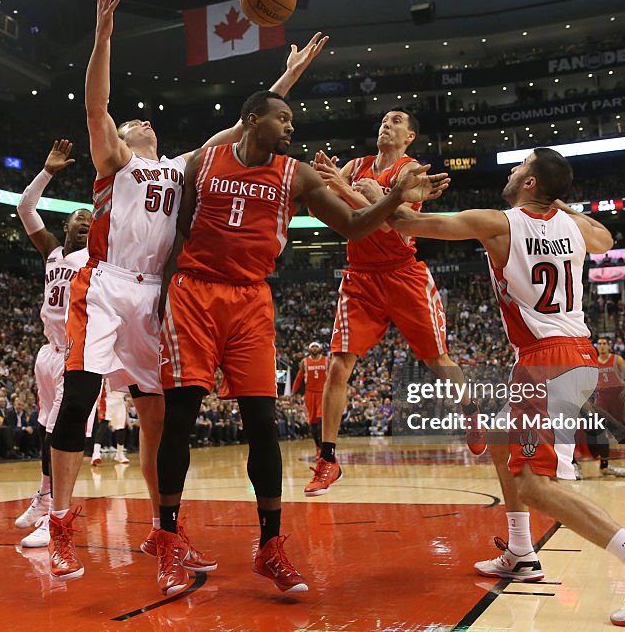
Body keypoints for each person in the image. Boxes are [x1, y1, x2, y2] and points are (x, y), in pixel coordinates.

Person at [47, 0, 330, 581]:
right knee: (79, 401)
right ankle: (60, 526)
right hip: (105, 286)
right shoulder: (116, 162)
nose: (141, 122)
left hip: (159, 297)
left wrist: (287, 79)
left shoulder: (182, 168)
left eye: (145, 123)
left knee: (161, 420)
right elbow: (97, 105)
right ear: (122, 140)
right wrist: (103, 36)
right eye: (132, 123)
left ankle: (162, 533)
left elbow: (248, 126)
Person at [153, 89, 449, 595]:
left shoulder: (298, 174)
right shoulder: (204, 161)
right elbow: (176, 232)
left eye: (292, 120)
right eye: (282, 118)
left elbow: (355, 225)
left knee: (263, 426)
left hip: (251, 299)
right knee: (180, 418)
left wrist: (397, 197)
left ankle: (270, 546)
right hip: (195, 293)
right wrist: (162, 296)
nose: (291, 127)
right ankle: (167, 539)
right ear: (251, 120)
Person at [390, 147, 625, 627]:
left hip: (549, 361)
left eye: (519, 168)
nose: (511, 172)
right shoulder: (577, 227)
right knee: (500, 445)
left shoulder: (498, 222)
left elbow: (406, 225)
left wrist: (382, 194)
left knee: (536, 485)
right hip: (565, 354)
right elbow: (605, 238)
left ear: (530, 183)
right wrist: (561, 205)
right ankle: (521, 552)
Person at [304, 110, 483, 497]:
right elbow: (344, 216)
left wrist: (345, 189)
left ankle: (471, 412)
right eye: (384, 118)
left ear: (410, 135)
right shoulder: (355, 165)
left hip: (403, 274)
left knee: (437, 360)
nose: (387, 122)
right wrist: (321, 187)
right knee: (338, 366)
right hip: (360, 276)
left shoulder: (412, 171)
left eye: (397, 120)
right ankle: (328, 458)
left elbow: (393, 224)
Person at [14, 141, 95, 548]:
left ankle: (54, 510)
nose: (86, 221)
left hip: (75, 352)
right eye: (80, 217)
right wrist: (47, 172)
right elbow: (24, 209)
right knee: (45, 429)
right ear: (66, 225)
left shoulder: (97, 258)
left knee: (59, 433)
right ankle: (43, 497)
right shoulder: (52, 251)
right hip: (47, 351)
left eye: (91, 219)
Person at [596, 337, 625, 461]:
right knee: (599, 423)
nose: (602, 346)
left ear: (609, 346)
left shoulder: (617, 359)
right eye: (599, 344)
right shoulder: (593, 361)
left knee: (622, 422)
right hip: (602, 396)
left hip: (617, 395)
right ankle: (603, 452)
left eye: (604, 344)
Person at [290, 341, 328, 457]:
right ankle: (318, 447)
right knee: (313, 422)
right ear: (310, 349)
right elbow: (298, 378)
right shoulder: (304, 362)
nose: (315, 348)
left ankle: (324, 447)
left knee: (322, 420)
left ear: (320, 348)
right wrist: (293, 393)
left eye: (317, 346)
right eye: (313, 347)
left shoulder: (327, 360)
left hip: (323, 393)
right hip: (310, 394)